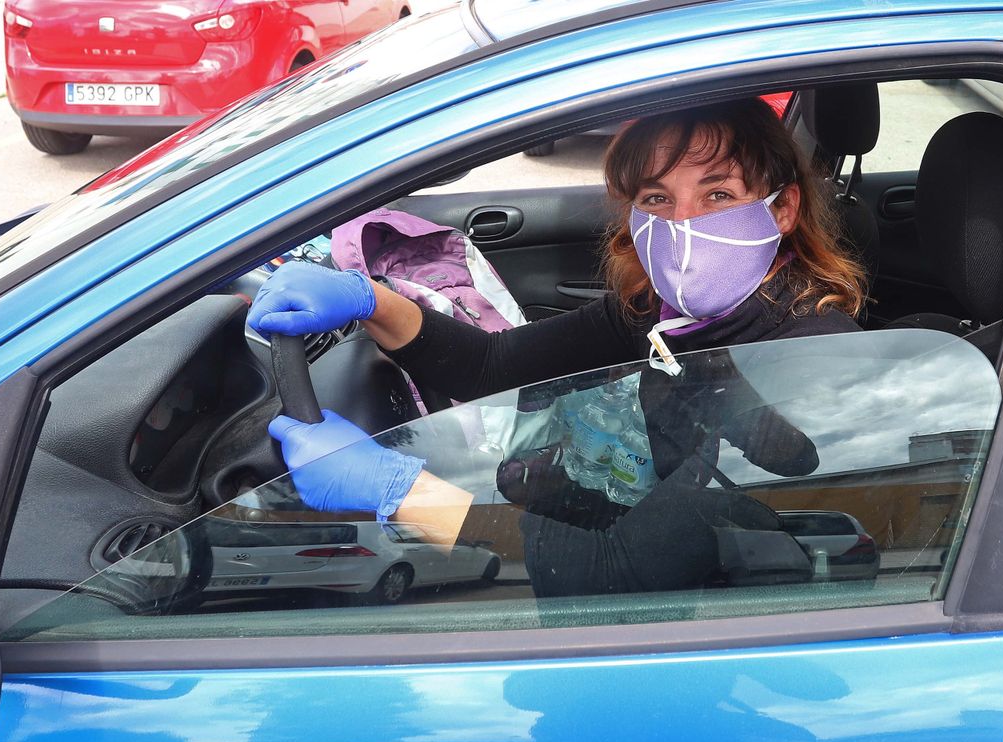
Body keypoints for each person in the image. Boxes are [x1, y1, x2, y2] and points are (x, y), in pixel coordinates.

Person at [250, 97, 868, 591]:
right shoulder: (657, 317)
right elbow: (490, 366)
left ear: (782, 209)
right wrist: (372, 300)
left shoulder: (810, 357)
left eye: (718, 195)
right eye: (657, 197)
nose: (682, 225)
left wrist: (404, 494)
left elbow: (607, 570)